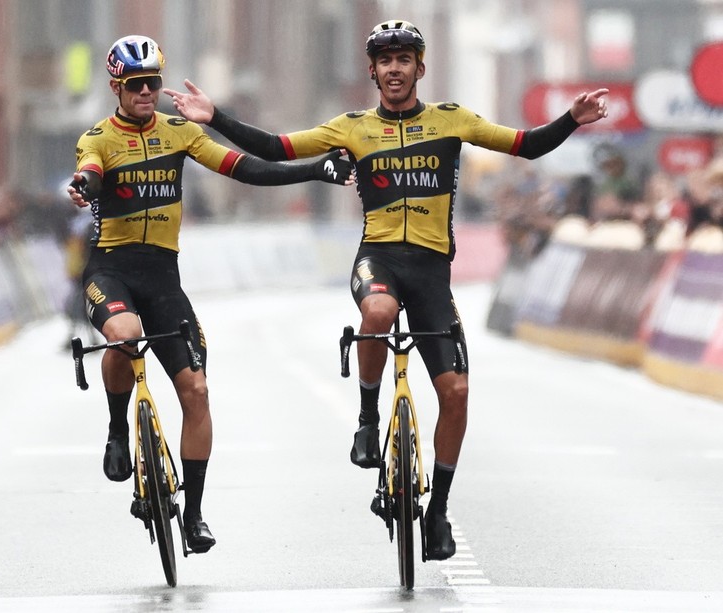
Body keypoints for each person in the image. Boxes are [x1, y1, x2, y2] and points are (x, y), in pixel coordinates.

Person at [164, 19, 609, 560]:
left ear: (420, 68)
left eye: (404, 59)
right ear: (372, 71)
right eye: (385, 60)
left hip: (431, 275)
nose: (395, 69)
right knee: (377, 311)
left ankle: (438, 511)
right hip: (377, 260)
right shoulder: (352, 127)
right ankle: (369, 419)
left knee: (458, 393)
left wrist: (571, 120)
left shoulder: (452, 120)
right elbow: (278, 148)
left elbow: (526, 145)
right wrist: (217, 119)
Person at [67, 35, 352, 554]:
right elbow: (89, 168)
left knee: (195, 392)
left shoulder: (179, 132)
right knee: (124, 335)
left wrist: (314, 169)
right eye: (136, 85)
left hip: (163, 279)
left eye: (154, 81)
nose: (148, 92)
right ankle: (115, 429)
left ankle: (193, 514)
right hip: (111, 271)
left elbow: (243, 169)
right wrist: (86, 185)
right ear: (116, 88)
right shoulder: (99, 137)